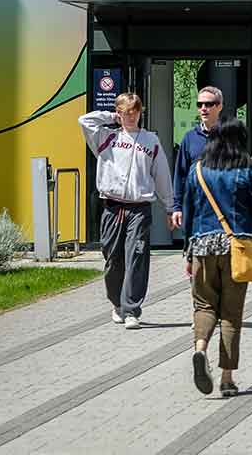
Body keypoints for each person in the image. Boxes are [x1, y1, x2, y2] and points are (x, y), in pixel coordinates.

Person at [79, 92, 176, 330]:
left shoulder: (151, 141)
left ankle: (132, 309)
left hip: (139, 208)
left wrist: (170, 206)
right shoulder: (105, 137)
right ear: (119, 113)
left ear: (140, 113)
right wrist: (112, 115)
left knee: (137, 257)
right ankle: (117, 304)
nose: (130, 116)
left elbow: (161, 175)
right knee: (114, 259)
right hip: (112, 207)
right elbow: (85, 120)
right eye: (125, 112)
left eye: (134, 111)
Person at [182, 121, 252, 398]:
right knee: (231, 314)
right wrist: (247, 228)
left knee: (204, 306)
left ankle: (200, 349)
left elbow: (189, 212)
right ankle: (227, 379)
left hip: (202, 247)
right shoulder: (247, 168)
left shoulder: (197, 169)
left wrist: (188, 251)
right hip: (236, 248)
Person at [172, 85, 225, 231]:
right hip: (195, 210)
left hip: (223, 210)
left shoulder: (230, 136)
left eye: (208, 104)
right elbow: (180, 175)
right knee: (195, 252)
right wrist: (177, 207)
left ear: (219, 106)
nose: (203, 108)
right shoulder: (189, 138)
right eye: (199, 104)